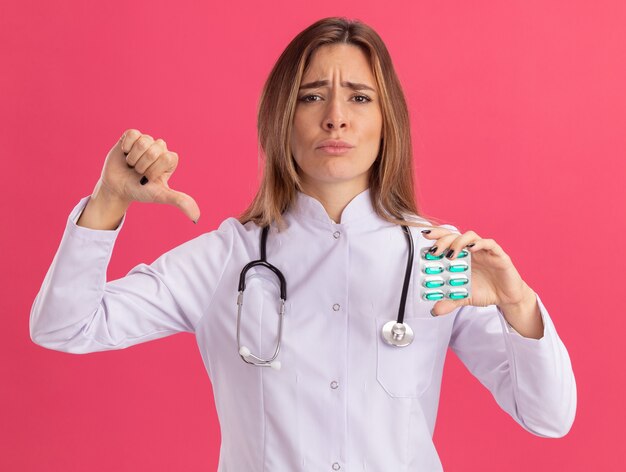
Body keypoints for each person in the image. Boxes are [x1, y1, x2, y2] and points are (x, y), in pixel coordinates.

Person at [30, 16, 576, 471]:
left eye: (360, 97)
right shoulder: (228, 259)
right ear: (281, 119)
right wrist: (108, 200)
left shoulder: (438, 259)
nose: (335, 116)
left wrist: (517, 303)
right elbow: (64, 327)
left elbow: (549, 417)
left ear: (388, 123)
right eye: (313, 96)